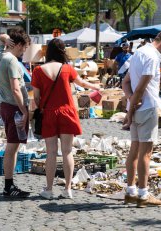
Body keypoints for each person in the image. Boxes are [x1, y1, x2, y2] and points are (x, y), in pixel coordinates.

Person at [32, 38, 100, 199]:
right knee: (67, 151)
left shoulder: (38, 70)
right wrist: (95, 87)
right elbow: (81, 82)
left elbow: (36, 98)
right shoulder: (67, 68)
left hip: (49, 113)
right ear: (62, 51)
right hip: (68, 112)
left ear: (48, 51)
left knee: (51, 153)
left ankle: (48, 190)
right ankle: (68, 189)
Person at [122, 30, 161, 208]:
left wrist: (130, 103)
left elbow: (125, 82)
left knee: (134, 149)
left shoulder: (138, 52)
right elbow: (141, 88)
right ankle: (143, 194)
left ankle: (130, 191)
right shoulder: (153, 56)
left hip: (137, 107)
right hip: (146, 108)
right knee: (145, 153)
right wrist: (130, 111)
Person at [0, 28, 31, 198]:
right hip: (14, 106)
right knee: (12, 146)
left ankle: (9, 184)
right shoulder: (12, 61)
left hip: (5, 104)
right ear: (20, 45)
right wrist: (24, 111)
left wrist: (4, 39)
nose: (25, 51)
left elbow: (1, 38)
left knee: (12, 145)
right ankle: (9, 185)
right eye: (25, 47)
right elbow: (16, 89)